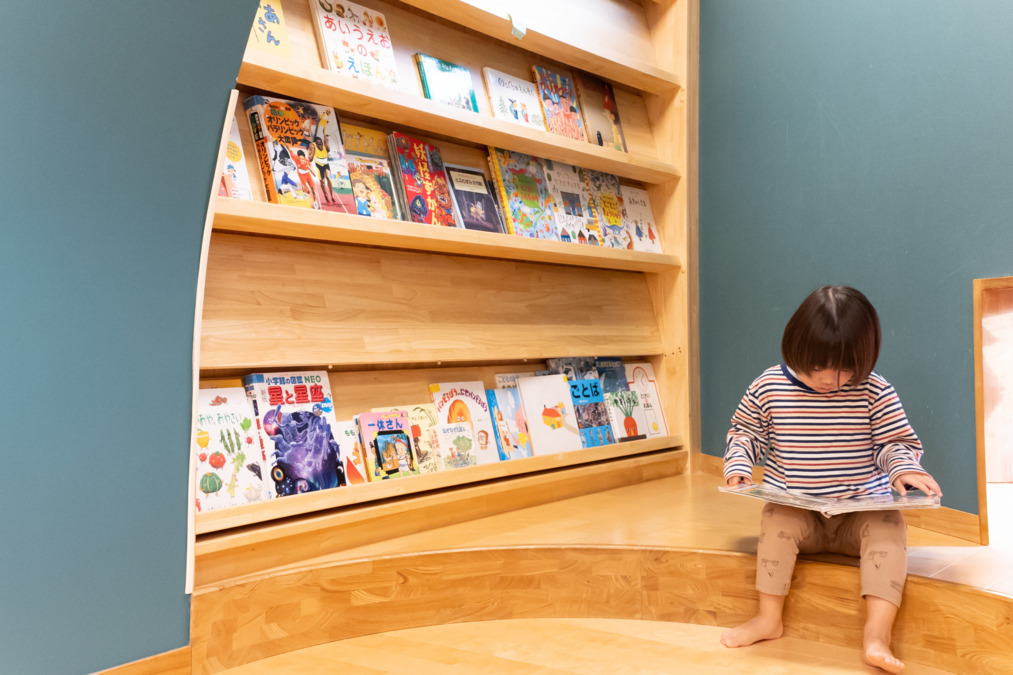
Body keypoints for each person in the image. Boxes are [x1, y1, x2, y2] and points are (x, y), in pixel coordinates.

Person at [720, 285, 941, 674]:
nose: (828, 379)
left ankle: (877, 634)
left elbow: (893, 443)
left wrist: (905, 468)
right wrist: (739, 464)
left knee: (890, 526)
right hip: (800, 514)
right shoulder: (769, 386)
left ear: (865, 357)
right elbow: (746, 433)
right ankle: (769, 617)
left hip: (859, 517)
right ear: (794, 349)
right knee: (777, 518)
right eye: (816, 366)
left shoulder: (875, 391)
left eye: (843, 369)